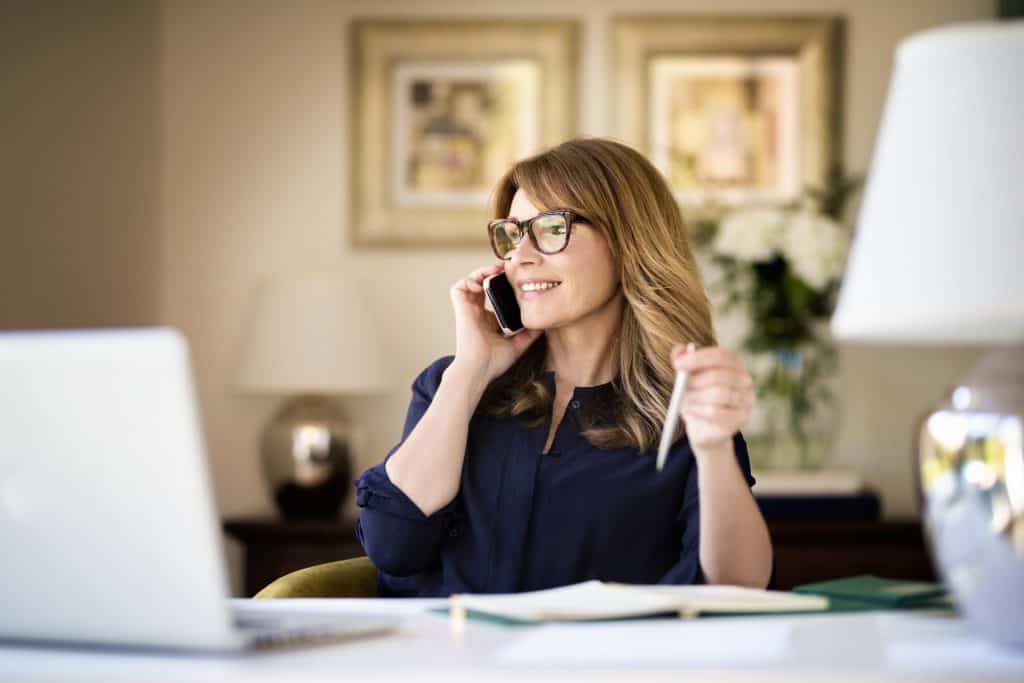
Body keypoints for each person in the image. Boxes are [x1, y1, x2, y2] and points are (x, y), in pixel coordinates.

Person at [355, 137, 773, 597]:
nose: (520, 256)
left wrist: (712, 449)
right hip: (448, 664)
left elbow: (736, 587)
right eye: (512, 234)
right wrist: (471, 371)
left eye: (552, 228)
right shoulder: (453, 385)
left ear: (628, 240)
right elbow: (393, 545)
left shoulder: (684, 411)